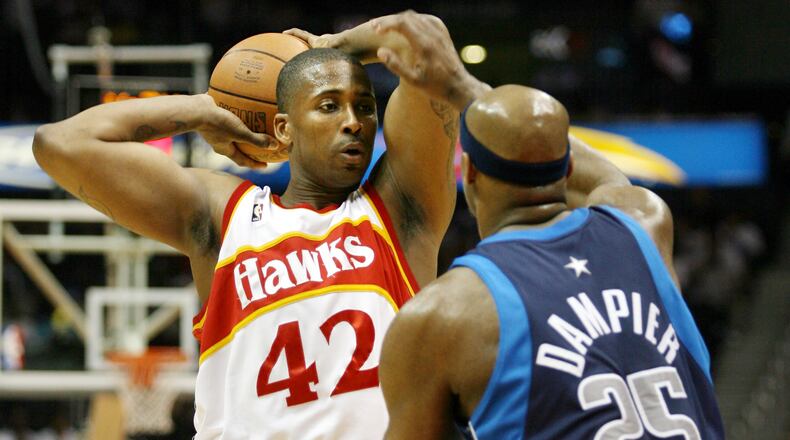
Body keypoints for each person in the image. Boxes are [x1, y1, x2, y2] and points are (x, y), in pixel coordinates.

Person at [32, 11, 482, 439]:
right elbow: (60, 143)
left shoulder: (399, 211)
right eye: (329, 106)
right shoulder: (225, 216)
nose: (353, 123)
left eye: (364, 107)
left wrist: (331, 47)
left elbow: (421, 38)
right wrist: (202, 111)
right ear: (284, 128)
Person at [373, 14, 725, 440]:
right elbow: (604, 178)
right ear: (568, 167)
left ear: (470, 173)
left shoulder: (443, 314)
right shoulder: (644, 226)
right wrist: (464, 90)